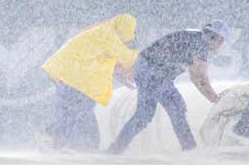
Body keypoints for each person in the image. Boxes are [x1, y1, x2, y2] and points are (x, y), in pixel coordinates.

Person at [106, 20, 230, 154]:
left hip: (149, 69)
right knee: (172, 108)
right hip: (153, 72)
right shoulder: (201, 45)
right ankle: (189, 150)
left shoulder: (196, 38)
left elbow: (196, 77)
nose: (219, 44)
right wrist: (214, 98)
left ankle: (116, 149)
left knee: (150, 114)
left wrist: (212, 97)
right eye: (219, 40)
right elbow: (200, 77)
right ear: (217, 38)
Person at [40, 13, 138, 150]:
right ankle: (85, 145)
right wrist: (145, 65)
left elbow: (99, 56)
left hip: (67, 73)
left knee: (71, 112)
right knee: (81, 111)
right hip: (76, 78)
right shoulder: (108, 35)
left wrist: (120, 70)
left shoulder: (101, 30)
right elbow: (128, 58)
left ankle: (53, 140)